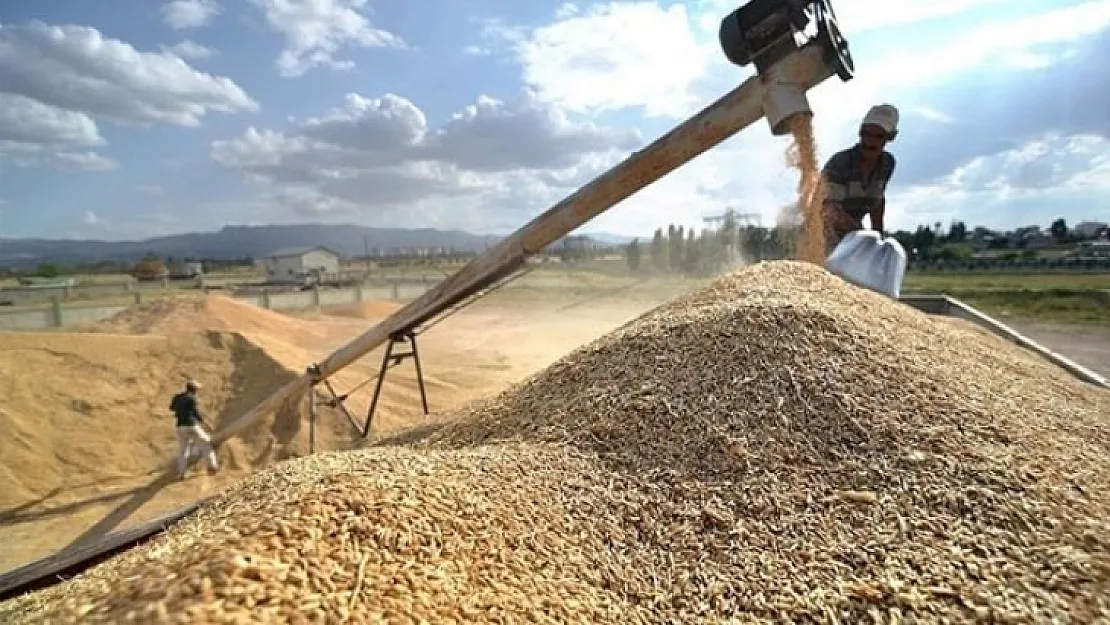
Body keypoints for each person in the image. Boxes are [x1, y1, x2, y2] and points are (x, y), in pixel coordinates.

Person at [820, 104, 899, 254]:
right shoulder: (840, 163)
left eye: (878, 136)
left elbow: (877, 201)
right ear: (859, 132)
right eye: (866, 134)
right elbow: (829, 210)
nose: (870, 142)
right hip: (822, 234)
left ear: (890, 137)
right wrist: (862, 237)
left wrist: (878, 239)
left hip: (851, 237)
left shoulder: (887, 164)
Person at [169, 379, 219, 478]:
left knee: (183, 450)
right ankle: (212, 467)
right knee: (205, 445)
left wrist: (180, 409)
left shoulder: (178, 397)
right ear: (194, 389)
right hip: (191, 425)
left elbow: (171, 408)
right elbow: (196, 414)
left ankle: (181, 473)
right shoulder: (192, 398)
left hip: (180, 426)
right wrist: (206, 424)